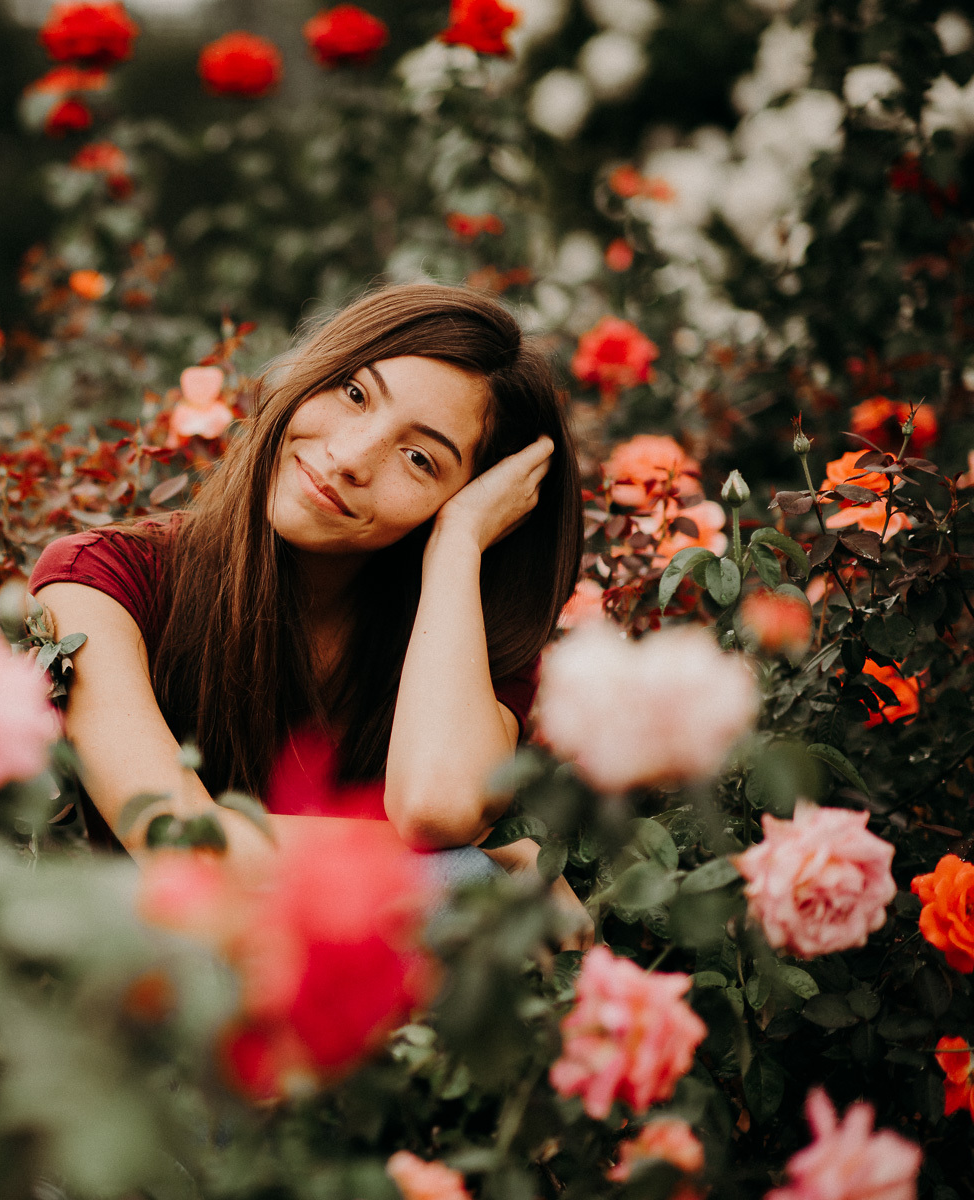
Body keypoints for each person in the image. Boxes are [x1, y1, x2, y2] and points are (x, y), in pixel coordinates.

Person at [31, 284, 592, 944]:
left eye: (420, 459)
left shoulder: (462, 634)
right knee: (471, 882)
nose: (351, 457)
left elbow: (437, 807)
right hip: (153, 990)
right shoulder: (101, 578)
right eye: (354, 393)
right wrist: (484, 858)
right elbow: (178, 841)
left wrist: (457, 543)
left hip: (378, 1011)